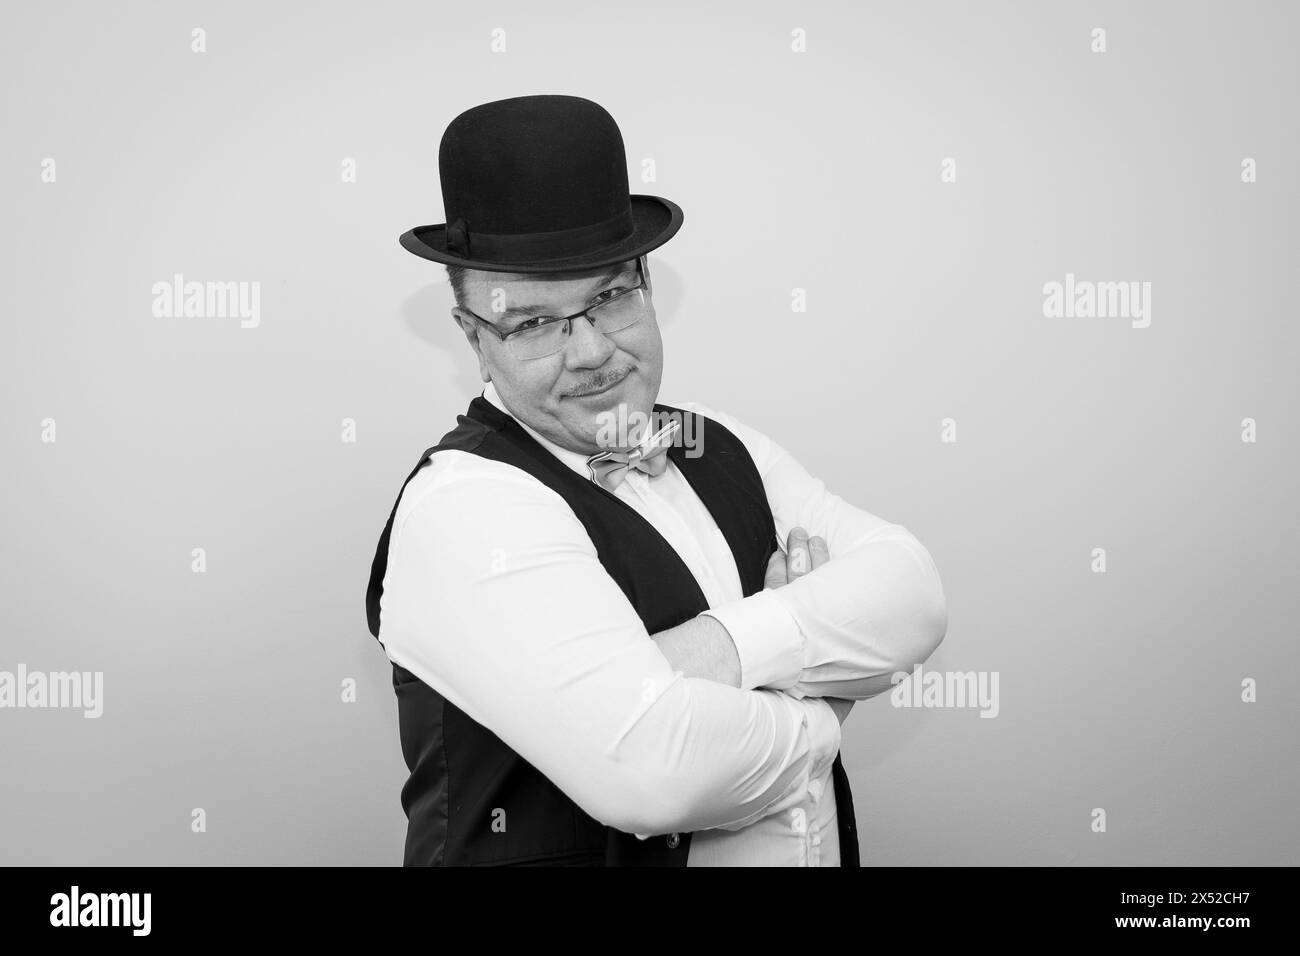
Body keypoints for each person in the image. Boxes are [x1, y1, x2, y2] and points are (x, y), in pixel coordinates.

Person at [365, 94, 948, 866]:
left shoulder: (713, 438)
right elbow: (653, 775)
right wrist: (819, 701)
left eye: (610, 296)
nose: (592, 352)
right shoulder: (465, 507)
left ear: (646, 281)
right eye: (535, 322)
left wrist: (713, 654)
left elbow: (911, 594)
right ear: (474, 336)